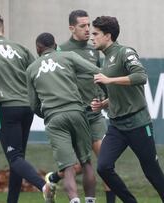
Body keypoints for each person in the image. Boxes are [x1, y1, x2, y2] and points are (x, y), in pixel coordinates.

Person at [90, 16, 164, 203]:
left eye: (95, 34)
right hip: (116, 126)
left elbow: (141, 76)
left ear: (108, 35)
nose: (91, 37)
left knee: (152, 172)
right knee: (103, 167)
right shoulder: (105, 60)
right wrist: (103, 104)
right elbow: (118, 94)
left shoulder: (124, 52)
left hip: (138, 123)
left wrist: (109, 80)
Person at [0, 14, 56, 203]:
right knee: (18, 159)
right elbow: (37, 73)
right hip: (27, 109)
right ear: (3, 29)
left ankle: (44, 186)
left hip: (6, 108)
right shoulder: (21, 49)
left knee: (15, 157)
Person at [45, 10, 116, 203]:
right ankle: (53, 179)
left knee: (106, 163)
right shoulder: (61, 51)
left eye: (88, 25)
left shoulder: (94, 49)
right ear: (71, 28)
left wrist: (106, 100)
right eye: (83, 26)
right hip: (75, 115)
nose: (88, 30)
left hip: (94, 116)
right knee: (77, 167)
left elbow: (101, 78)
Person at [26, 32, 102, 203]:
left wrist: (47, 114)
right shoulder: (68, 56)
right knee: (86, 162)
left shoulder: (31, 69)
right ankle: (90, 200)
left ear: (38, 48)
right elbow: (96, 71)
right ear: (55, 45)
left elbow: (33, 105)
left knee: (68, 168)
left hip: (54, 118)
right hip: (77, 112)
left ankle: (74, 200)